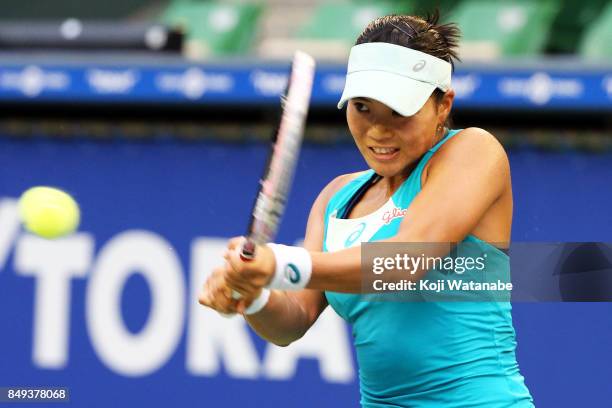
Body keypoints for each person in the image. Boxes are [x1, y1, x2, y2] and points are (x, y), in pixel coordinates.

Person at [199, 12, 534, 408]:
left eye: (399, 112)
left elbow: (409, 258)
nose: (379, 130)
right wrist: (251, 296)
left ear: (443, 105)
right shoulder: (337, 198)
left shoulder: (474, 152)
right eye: (363, 107)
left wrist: (282, 265)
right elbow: (294, 320)